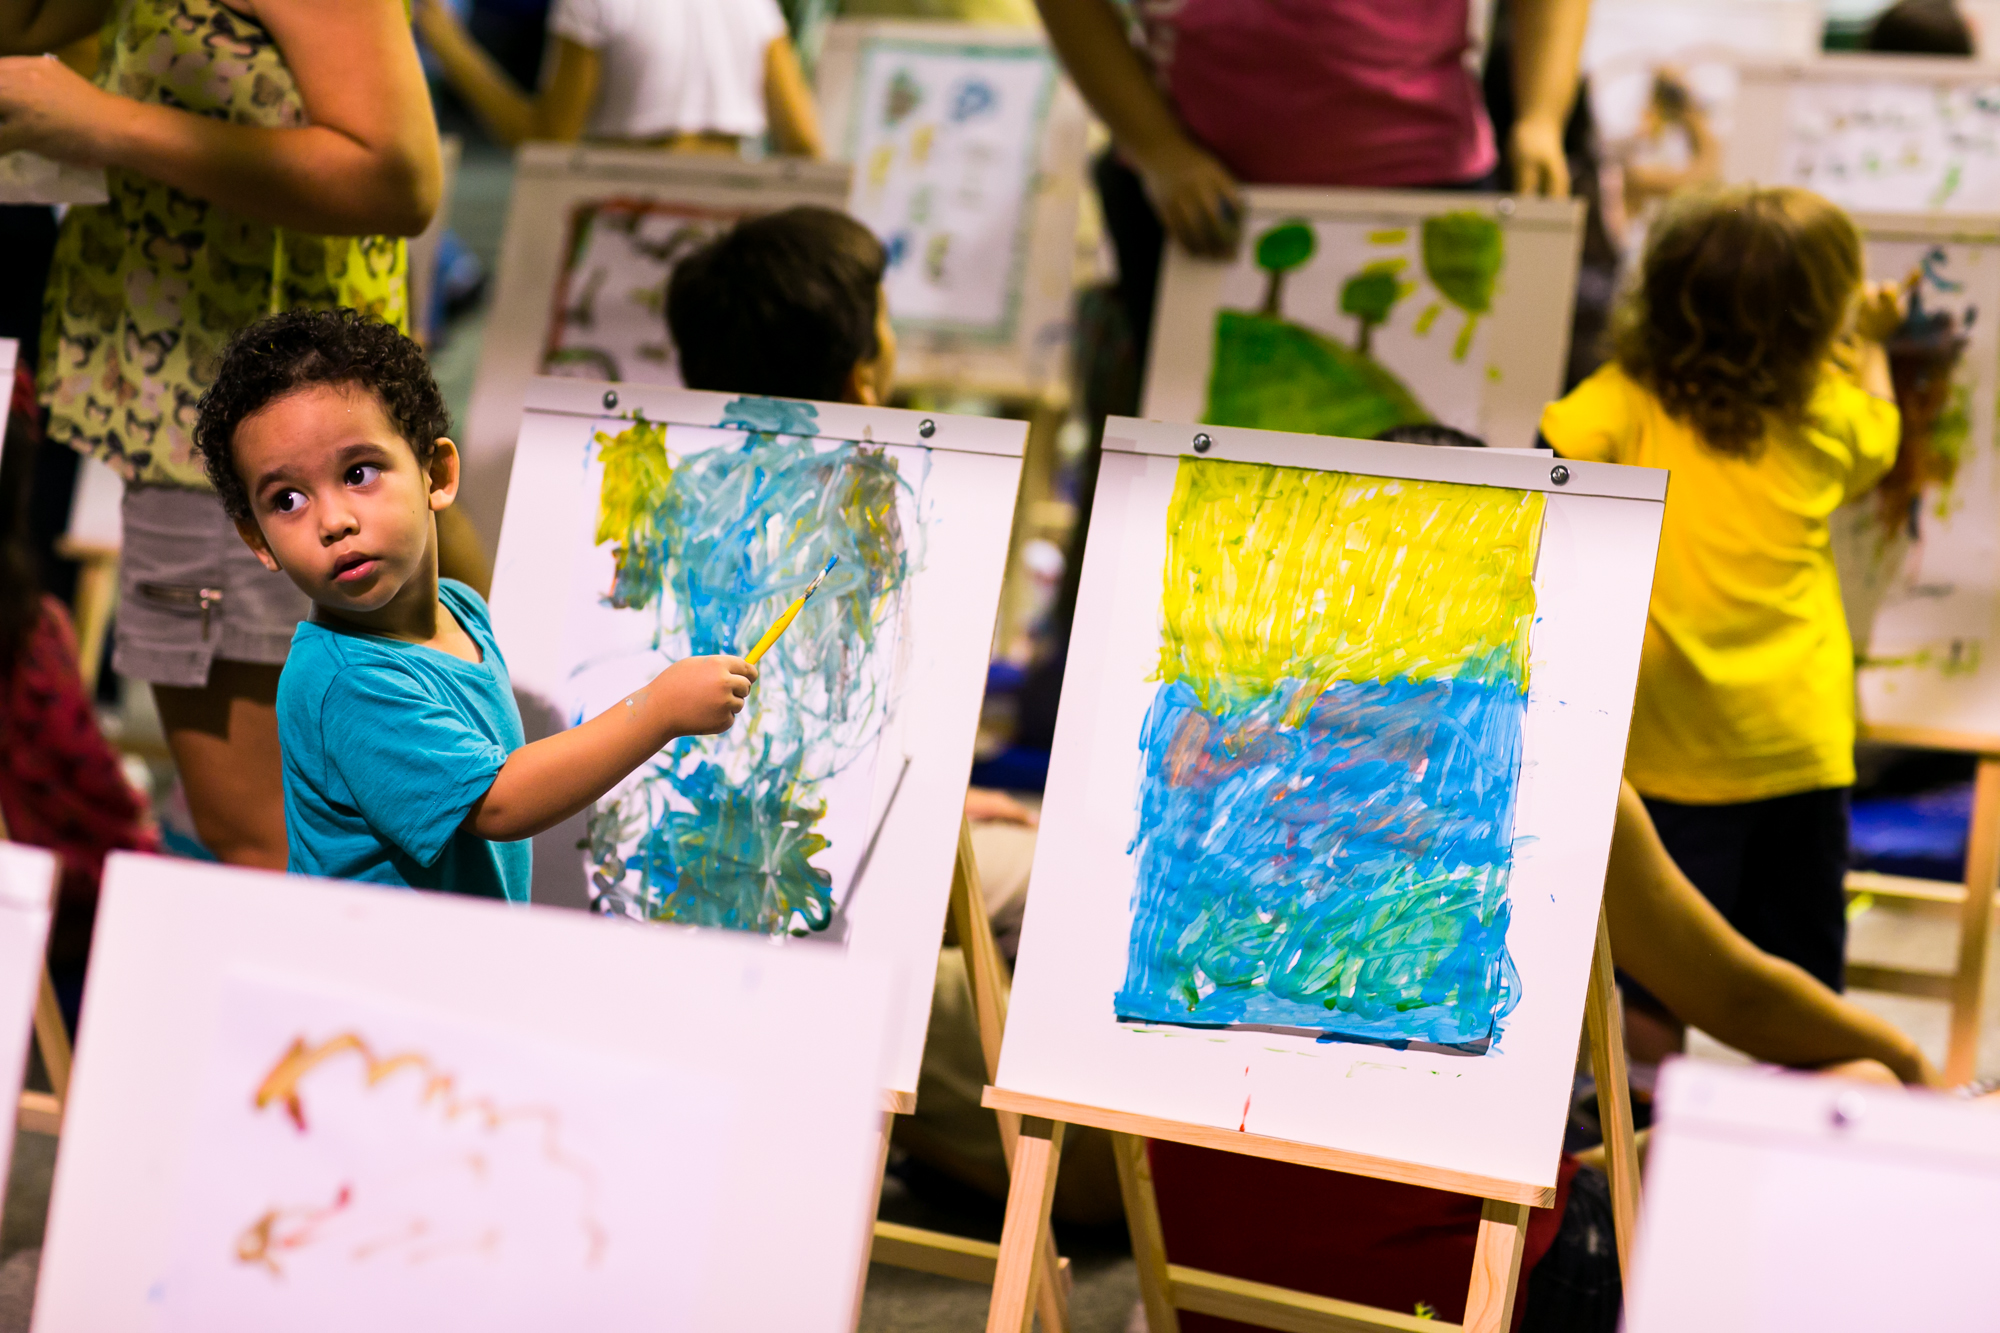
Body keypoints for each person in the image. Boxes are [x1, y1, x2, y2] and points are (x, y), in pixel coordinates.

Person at [664, 207, 1114, 1217]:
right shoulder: (876, 512)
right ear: (866, 372)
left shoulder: (663, 492)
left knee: (1053, 868)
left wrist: (946, 816)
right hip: (809, 936)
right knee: (1086, 919)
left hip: (777, 884)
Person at [1148, 780, 1941, 1333]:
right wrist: (1907, 1058)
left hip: (1201, 1279)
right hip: (1471, 1292)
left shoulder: (1207, 752)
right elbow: (1741, 1000)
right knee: (1860, 1094)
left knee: (1604, 1146)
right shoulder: (1555, 762)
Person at [0, 0, 472, 873]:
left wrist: (96, 121)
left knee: (272, 838)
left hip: (257, 434)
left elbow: (397, 174)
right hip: (224, 424)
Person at [192, 308, 756, 900]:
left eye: (358, 473)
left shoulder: (460, 608)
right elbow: (499, 803)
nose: (333, 521)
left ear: (436, 473)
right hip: (372, 977)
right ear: (258, 539)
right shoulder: (343, 682)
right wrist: (659, 710)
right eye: (287, 500)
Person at [1540, 186, 1901, 1063]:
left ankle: (1640, 1168)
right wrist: (1873, 346)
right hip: (1797, 748)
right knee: (1809, 1007)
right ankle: (1814, 1152)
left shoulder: (1623, 399)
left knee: (1649, 1001)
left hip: (1663, 753)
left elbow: (1548, 461)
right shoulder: (1822, 410)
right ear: (1818, 322)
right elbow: (1882, 434)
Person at [415, 0, 822, 155]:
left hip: (629, 229)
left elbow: (547, 142)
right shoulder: (753, 5)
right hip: (728, 225)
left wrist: (448, 43)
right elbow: (803, 141)